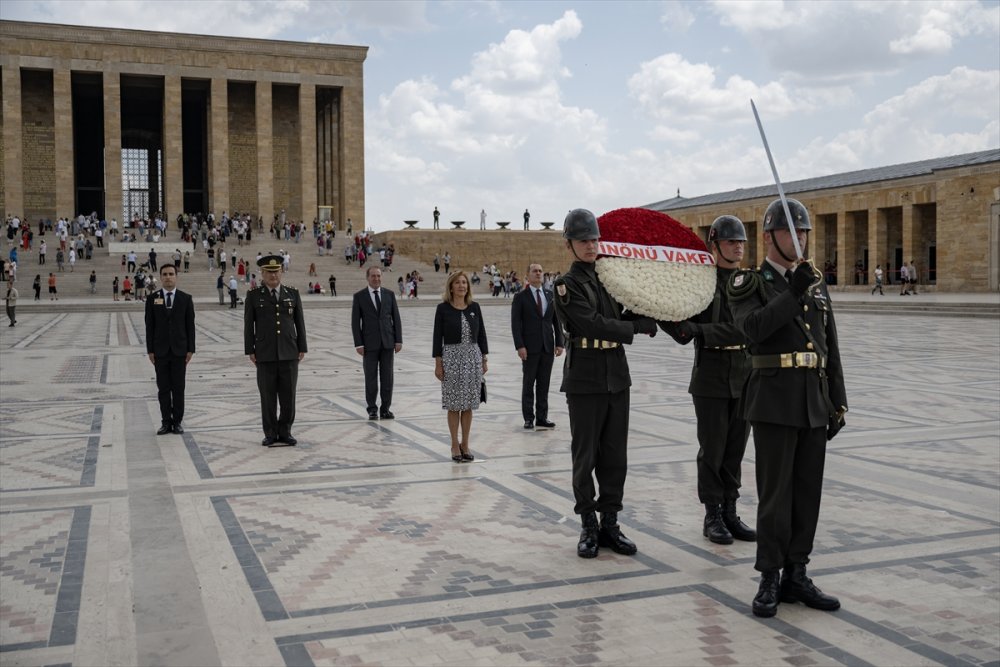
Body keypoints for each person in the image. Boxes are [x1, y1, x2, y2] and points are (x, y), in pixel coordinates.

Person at [726, 198, 847, 619]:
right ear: (768, 237)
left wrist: (837, 401)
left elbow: (829, 346)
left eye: (805, 232)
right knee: (775, 494)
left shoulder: (813, 283)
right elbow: (754, 330)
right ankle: (769, 575)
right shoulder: (748, 283)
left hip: (813, 399)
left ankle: (797, 572)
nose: (801, 239)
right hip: (773, 400)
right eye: (791, 232)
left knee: (807, 493)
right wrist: (793, 292)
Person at [553, 209, 657, 559]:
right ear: (569, 245)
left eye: (594, 239)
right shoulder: (566, 285)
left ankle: (610, 522)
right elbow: (592, 323)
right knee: (586, 455)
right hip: (585, 378)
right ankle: (588, 524)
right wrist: (635, 328)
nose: (591, 246)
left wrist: (649, 311)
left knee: (615, 455)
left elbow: (620, 312)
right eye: (583, 240)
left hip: (616, 375)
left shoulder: (608, 278)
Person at [660, 215, 755, 545]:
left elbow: (747, 329)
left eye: (741, 242)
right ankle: (712, 514)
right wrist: (680, 327)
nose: (738, 247)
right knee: (712, 449)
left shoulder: (750, 284)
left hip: (744, 375)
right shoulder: (700, 284)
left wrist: (700, 330)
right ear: (715, 246)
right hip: (710, 376)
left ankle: (731, 511)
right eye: (731, 242)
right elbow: (672, 316)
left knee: (735, 449)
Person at [244, 255, 308, 447]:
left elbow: (299, 322)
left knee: (289, 395)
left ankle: (285, 431)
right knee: (268, 396)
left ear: (282, 272)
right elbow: (248, 325)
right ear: (262, 274)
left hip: (289, 351)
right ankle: (270, 433)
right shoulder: (254, 295)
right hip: (265, 352)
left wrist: (302, 346)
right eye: (269, 272)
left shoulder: (292, 293)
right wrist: (250, 349)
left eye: (276, 271)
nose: (273, 275)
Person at [433, 271, 488, 463]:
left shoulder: (475, 307)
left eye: (464, 282)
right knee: (453, 404)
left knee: (468, 404)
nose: (461, 286)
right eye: (457, 283)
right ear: (451, 287)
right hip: (452, 359)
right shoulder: (443, 309)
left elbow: (482, 334)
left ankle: (465, 443)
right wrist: (438, 363)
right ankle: (454, 444)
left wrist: (484, 359)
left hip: (472, 359)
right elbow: (437, 337)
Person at [511, 263, 564, 430]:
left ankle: (542, 417)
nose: (538, 273)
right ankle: (528, 418)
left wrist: (560, 342)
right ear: (528, 275)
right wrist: (520, 346)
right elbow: (515, 324)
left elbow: (556, 321)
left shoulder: (550, 295)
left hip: (547, 346)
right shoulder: (521, 297)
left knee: (544, 384)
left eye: (540, 271)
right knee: (528, 384)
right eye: (535, 271)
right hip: (529, 347)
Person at [145, 265, 196, 435]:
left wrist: (190, 349)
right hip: (160, 351)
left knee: (178, 388)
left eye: (171, 274)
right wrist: (150, 350)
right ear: (160, 277)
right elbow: (149, 326)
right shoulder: (152, 299)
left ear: (176, 276)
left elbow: (190, 326)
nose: (168, 277)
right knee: (163, 389)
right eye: (165, 274)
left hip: (179, 351)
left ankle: (177, 422)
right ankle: (166, 421)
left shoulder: (185, 299)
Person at [352, 267, 404, 420]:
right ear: (367, 277)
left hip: (388, 343)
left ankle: (385, 409)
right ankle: (372, 409)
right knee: (371, 378)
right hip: (369, 344)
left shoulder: (389, 294)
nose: (376, 279)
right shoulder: (359, 296)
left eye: (378, 276)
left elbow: (396, 318)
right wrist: (359, 344)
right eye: (373, 276)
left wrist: (398, 340)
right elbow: (355, 322)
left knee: (388, 378)